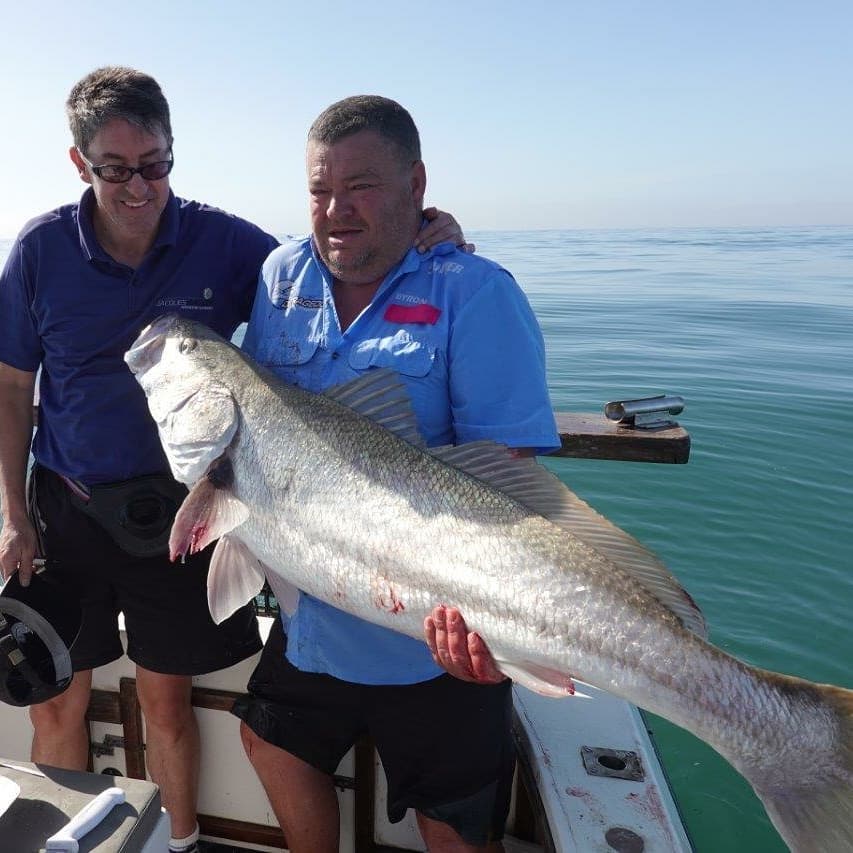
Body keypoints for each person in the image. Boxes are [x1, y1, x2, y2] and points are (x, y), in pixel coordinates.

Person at [0, 67, 466, 853]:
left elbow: (331, 266)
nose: (139, 186)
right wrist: (14, 515)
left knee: (166, 704)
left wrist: (419, 228)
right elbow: (13, 388)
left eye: (155, 164)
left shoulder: (225, 243)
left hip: (183, 507)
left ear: (172, 151)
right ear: (80, 163)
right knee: (55, 702)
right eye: (116, 169)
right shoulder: (40, 249)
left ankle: (177, 844)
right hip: (66, 509)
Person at [234, 95, 560, 853]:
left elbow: (507, 484)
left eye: (362, 186)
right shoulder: (280, 275)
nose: (335, 210)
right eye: (319, 189)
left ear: (416, 185)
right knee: (272, 744)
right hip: (315, 610)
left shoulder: (475, 292)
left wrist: (498, 620)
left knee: (454, 819)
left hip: (435, 631)